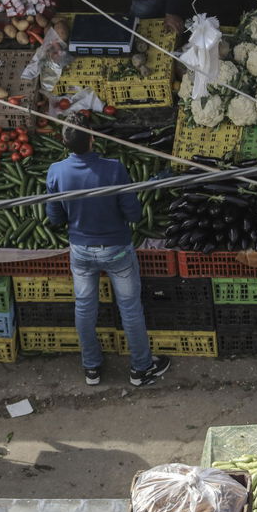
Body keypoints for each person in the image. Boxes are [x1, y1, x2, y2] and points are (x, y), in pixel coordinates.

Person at [45, 126, 170, 388]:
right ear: (92, 138)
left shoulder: (56, 171)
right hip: (117, 248)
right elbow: (133, 213)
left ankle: (91, 369)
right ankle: (141, 369)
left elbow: (55, 217)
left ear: (65, 143)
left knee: (84, 307)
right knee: (130, 308)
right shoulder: (113, 168)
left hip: (80, 250)